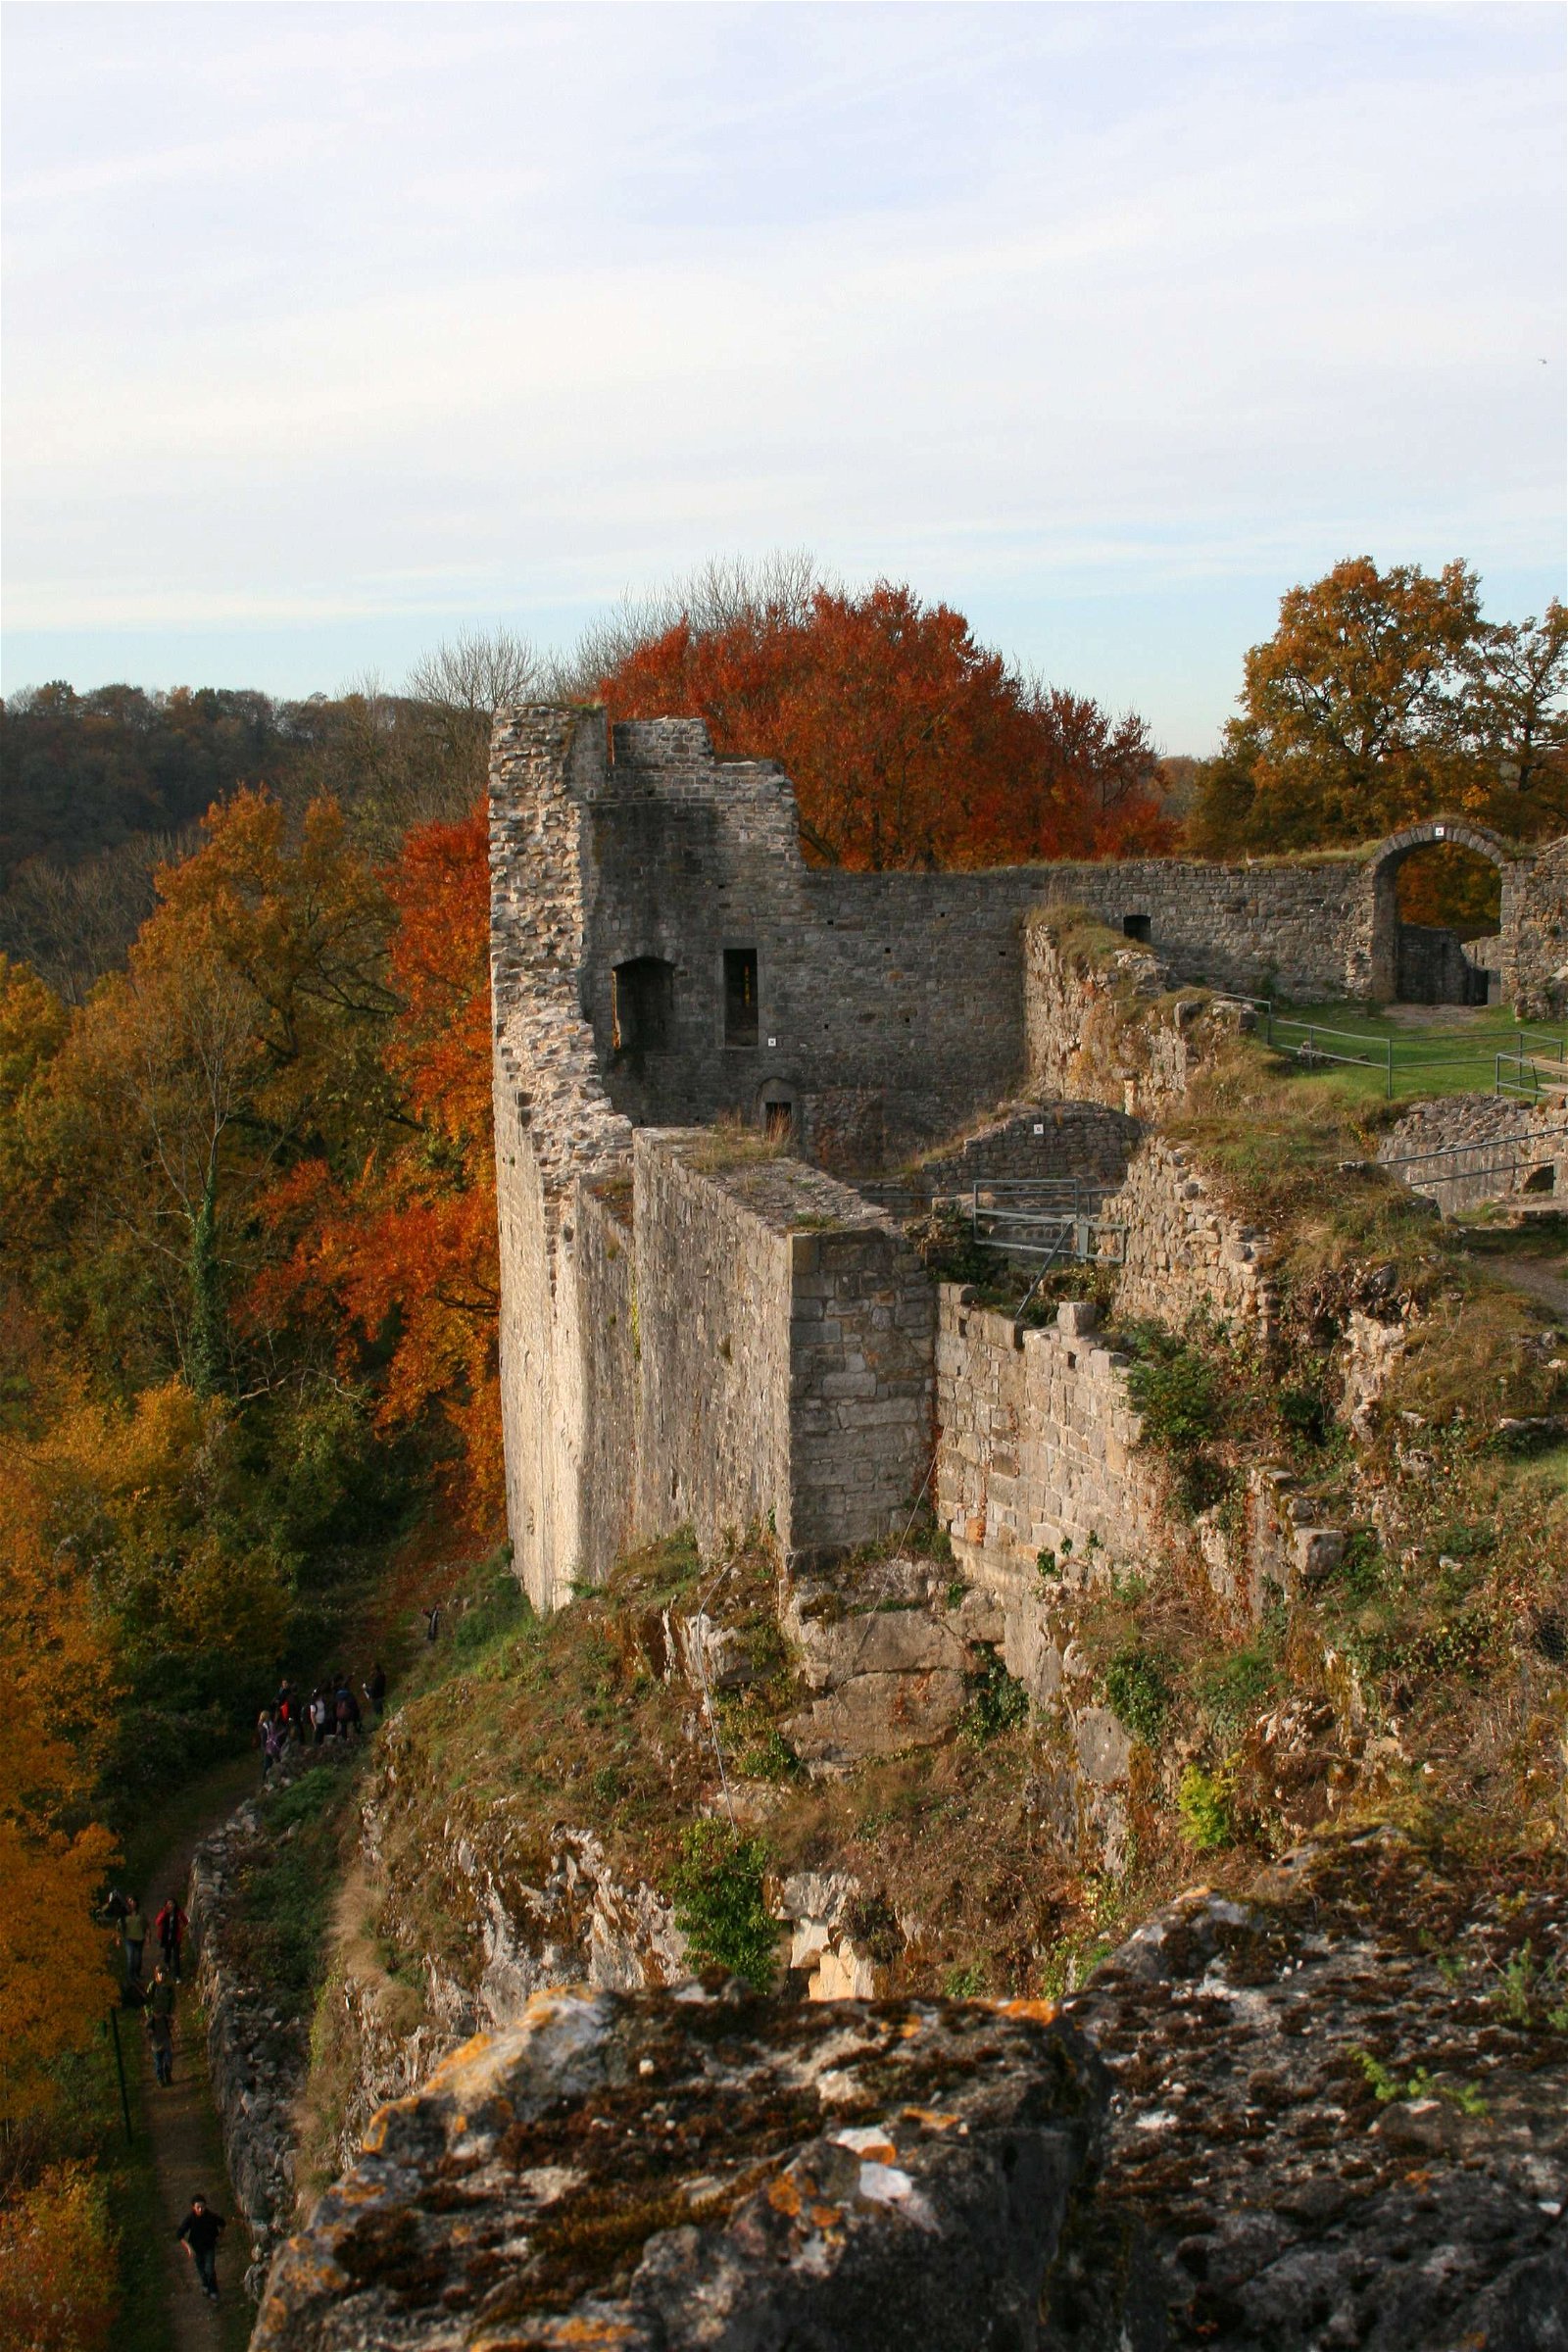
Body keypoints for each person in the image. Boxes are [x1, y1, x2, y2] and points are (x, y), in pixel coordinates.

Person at [177, 2195, 226, 2302]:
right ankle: (205, 2285)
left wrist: (220, 2237)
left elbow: (222, 2223)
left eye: (202, 2207)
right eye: (198, 2207)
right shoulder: (190, 2219)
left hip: (209, 2247)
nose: (200, 2210)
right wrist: (189, 2248)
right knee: (201, 2270)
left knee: (209, 2269)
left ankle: (213, 2290)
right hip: (196, 2249)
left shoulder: (211, 2217)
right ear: (193, 2207)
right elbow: (179, 2234)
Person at [146, 1964, 176, 2084]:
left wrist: (170, 2014)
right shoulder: (153, 1986)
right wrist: (150, 2016)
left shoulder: (169, 1987)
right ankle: (160, 2078)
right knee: (158, 2057)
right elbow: (147, 2002)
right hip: (155, 2020)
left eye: (164, 1973)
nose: (162, 1976)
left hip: (165, 2019)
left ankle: (168, 2071)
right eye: (160, 1973)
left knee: (168, 2053)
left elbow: (173, 2001)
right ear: (156, 1974)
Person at [155, 1893, 188, 1982]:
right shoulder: (164, 1912)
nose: (171, 1906)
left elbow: (185, 1921)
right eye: (169, 1904)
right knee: (167, 1953)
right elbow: (157, 1922)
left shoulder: (178, 1912)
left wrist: (182, 1926)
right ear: (166, 1905)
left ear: (175, 1904)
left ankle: (177, 1975)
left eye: (172, 1904)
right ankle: (167, 1965)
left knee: (176, 1957)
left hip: (176, 1938)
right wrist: (165, 1913)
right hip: (166, 1937)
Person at [122, 1896, 147, 1984]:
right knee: (130, 1957)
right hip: (129, 1939)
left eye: (132, 1901)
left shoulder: (140, 1913)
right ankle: (130, 1977)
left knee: (138, 1958)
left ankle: (137, 1974)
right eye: (129, 1901)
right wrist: (118, 1937)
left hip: (139, 1938)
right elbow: (119, 1926)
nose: (131, 1903)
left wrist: (148, 1935)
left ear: (136, 1902)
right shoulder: (124, 1914)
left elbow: (146, 1924)